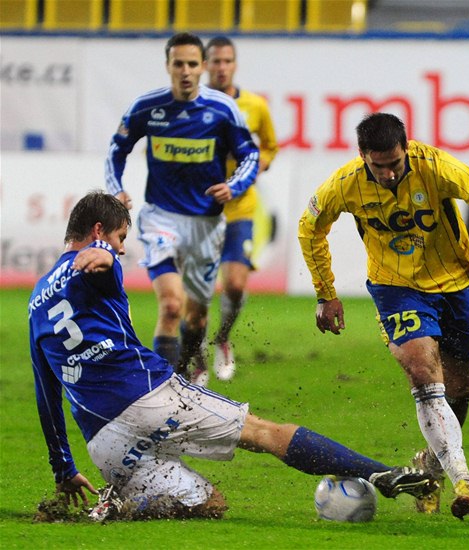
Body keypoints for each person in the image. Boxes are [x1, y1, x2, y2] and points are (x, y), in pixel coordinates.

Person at [29, 191, 439, 521]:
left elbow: (46, 392)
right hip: (150, 399)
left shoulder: (35, 302)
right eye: (120, 240)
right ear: (99, 231)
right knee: (264, 433)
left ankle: (118, 504)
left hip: (105, 441)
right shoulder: (99, 260)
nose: (120, 251)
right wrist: (101, 255)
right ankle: (381, 474)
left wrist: (64, 469)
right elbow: (102, 263)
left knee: (212, 505)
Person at [298, 113, 469, 521]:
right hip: (394, 287)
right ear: (362, 157)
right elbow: (309, 227)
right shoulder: (344, 184)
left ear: (406, 148)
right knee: (424, 373)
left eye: (394, 163)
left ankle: (430, 467)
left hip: (455, 283)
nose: (388, 174)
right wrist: (326, 294)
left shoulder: (437, 167)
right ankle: (465, 481)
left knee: (461, 389)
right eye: (378, 166)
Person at [105, 32, 260, 386]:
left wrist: (234, 185)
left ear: (202, 67)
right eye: (179, 64)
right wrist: (117, 190)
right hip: (161, 218)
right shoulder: (147, 107)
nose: (186, 71)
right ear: (168, 66)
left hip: (206, 224)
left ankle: (189, 365)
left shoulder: (222, 109)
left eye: (193, 64)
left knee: (197, 318)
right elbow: (117, 149)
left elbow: (251, 155)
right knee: (172, 305)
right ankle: (165, 389)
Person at [205, 36, 279, 381]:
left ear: (234, 65)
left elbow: (270, 145)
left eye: (226, 61)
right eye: (215, 61)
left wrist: (259, 163)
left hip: (240, 208)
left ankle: (221, 339)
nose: (221, 67)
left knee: (234, 285)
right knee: (195, 292)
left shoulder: (255, 106)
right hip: (197, 211)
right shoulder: (192, 104)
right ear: (205, 65)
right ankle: (193, 355)